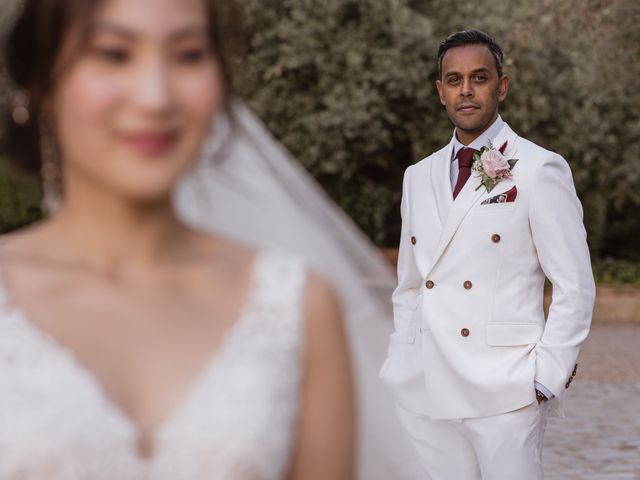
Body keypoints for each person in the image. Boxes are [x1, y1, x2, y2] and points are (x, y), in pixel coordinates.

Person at [0, 0, 355, 478]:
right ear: (42, 85)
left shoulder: (297, 306)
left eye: (188, 55)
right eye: (114, 53)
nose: (155, 97)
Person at [380, 30, 595, 479]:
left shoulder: (539, 168)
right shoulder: (417, 177)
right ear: (440, 92)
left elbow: (574, 285)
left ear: (501, 85)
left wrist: (545, 378)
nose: (466, 90)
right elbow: (410, 284)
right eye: (453, 80)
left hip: (505, 389)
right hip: (426, 388)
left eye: (478, 77)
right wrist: (404, 356)